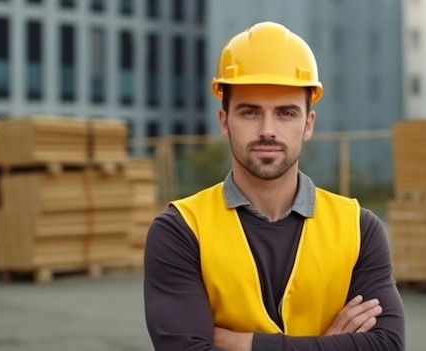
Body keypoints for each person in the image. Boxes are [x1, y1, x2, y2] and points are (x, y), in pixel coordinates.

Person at [143, 21, 405, 351]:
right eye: (250, 112)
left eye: (285, 113)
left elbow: (387, 345)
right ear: (225, 122)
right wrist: (329, 344)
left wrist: (243, 343)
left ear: (307, 124)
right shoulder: (180, 230)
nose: (268, 130)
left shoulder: (359, 229)